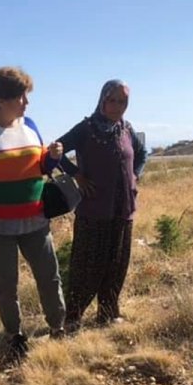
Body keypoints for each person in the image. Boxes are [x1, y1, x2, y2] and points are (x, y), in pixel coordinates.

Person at [0, 66, 66, 358]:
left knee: (49, 276)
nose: (26, 103)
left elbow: (41, 167)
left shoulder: (30, 124)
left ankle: (58, 326)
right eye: (21, 96)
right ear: (2, 99)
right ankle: (15, 336)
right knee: (7, 285)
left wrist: (52, 157)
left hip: (36, 219)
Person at [56, 79, 148, 328]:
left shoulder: (126, 129)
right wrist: (77, 175)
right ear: (102, 100)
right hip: (94, 208)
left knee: (117, 262)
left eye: (123, 101)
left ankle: (108, 313)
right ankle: (73, 317)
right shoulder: (86, 129)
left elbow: (142, 154)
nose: (118, 106)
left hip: (123, 208)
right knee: (87, 264)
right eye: (113, 100)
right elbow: (55, 152)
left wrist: (135, 175)